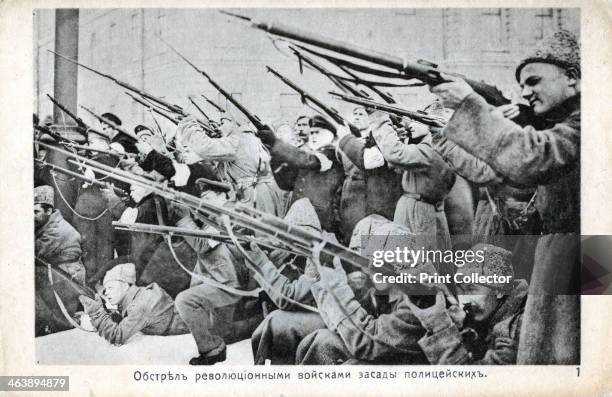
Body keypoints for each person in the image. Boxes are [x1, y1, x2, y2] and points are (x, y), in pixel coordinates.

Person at [429, 30, 580, 364]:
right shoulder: (563, 122)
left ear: (573, 78)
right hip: (560, 252)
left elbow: (530, 160)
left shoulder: (585, 121)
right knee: (548, 351)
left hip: (578, 253)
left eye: (534, 81)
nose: (525, 93)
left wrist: (469, 105)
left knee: (569, 353)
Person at [173, 189, 255, 365]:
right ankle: (257, 324)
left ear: (224, 195)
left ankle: (210, 351)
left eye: (208, 197)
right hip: (217, 279)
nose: (205, 202)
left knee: (184, 301)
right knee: (223, 334)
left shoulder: (228, 215)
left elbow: (201, 244)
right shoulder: (214, 216)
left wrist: (184, 218)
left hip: (227, 283)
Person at [408, 244, 527, 364]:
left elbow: (468, 380)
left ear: (499, 290)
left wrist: (440, 326)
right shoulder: (492, 315)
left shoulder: (518, 328)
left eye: (471, 289)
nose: (464, 300)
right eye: (461, 289)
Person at [175, 115, 285, 216]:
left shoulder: (238, 140)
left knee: (261, 234)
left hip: (254, 196)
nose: (219, 127)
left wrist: (188, 123)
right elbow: (220, 172)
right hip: (256, 193)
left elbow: (204, 147)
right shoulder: (247, 137)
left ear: (234, 122)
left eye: (223, 123)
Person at [260, 115, 344, 234]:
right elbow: (287, 184)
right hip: (302, 214)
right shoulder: (312, 153)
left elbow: (308, 161)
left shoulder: (330, 153)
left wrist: (276, 144)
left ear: (329, 135)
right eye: (312, 133)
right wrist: (275, 153)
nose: (313, 136)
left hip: (319, 217)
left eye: (318, 133)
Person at [335, 106, 404, 243]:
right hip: (351, 215)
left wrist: (345, 139)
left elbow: (370, 160)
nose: (357, 117)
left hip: (379, 214)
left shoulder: (386, 138)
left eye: (362, 113)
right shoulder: (348, 145)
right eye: (355, 113)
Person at [79, 263, 189, 345]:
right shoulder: (138, 294)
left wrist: (96, 312)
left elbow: (117, 337)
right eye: (105, 289)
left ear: (126, 285)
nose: (106, 293)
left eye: (110, 288)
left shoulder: (140, 304)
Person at [34, 185, 85, 283]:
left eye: (36, 212)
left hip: (68, 277)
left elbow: (36, 255)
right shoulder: (51, 222)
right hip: (59, 271)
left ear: (48, 211)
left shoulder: (55, 231)